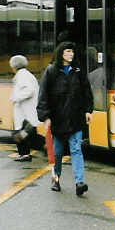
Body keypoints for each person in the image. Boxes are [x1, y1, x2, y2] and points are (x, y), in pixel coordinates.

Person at [37, 41, 93, 196]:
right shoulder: (51, 71)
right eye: (68, 51)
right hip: (57, 120)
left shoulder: (78, 71)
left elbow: (86, 92)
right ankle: (55, 179)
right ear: (61, 53)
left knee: (76, 150)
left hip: (75, 119)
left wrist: (88, 110)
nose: (71, 54)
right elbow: (43, 96)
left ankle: (79, 182)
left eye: (72, 51)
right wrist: (45, 117)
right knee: (57, 152)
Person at [9, 54, 40, 162]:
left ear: (14, 66)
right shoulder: (26, 74)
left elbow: (29, 90)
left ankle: (24, 154)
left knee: (20, 133)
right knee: (23, 132)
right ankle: (24, 153)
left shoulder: (22, 76)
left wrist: (16, 98)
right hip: (27, 111)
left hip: (25, 111)